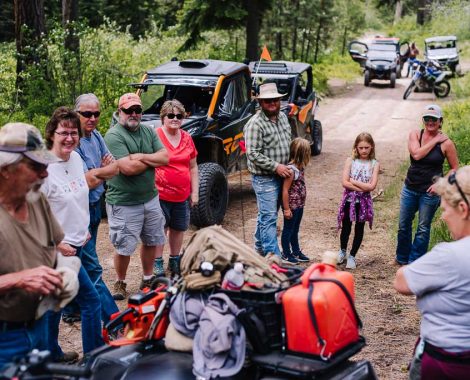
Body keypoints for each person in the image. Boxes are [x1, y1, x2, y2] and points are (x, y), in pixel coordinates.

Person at [0, 122, 74, 367]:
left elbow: (52, 246)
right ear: (5, 169)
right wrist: (18, 279)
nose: (45, 173)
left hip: (39, 325)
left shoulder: (36, 199)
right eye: (35, 166)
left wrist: (63, 272)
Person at [394, 166, 470, 380]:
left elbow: (401, 281)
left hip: (445, 363)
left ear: (463, 209)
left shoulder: (449, 256)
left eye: (446, 210)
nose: (444, 217)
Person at [41, 107, 104, 359]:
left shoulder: (76, 159)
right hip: (56, 251)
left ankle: (51, 355)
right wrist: (56, 244)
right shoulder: (43, 169)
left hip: (77, 243)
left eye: (73, 133)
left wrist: (84, 228)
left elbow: (79, 198)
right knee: (91, 302)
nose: (69, 138)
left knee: (55, 306)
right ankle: (95, 358)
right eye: (63, 133)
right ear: (52, 134)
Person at [104, 93, 168, 300]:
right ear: (119, 112)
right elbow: (128, 169)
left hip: (150, 198)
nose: (133, 114)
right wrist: (151, 160)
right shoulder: (114, 135)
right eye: (128, 110)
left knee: (151, 240)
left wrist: (139, 156)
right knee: (124, 246)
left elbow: (165, 157)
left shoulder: (148, 131)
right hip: (123, 201)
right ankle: (120, 282)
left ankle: (148, 278)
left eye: (137, 110)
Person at [62, 94, 119, 325]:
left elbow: (112, 166)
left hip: (94, 207)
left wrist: (99, 173)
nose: (92, 118)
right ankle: (116, 321)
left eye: (96, 113)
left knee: (80, 262)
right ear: (77, 114)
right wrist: (101, 172)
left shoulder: (95, 136)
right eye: (87, 114)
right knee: (92, 267)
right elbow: (86, 180)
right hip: (78, 212)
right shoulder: (72, 143)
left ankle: (70, 308)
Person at [396, 105, 458, 265]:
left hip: (430, 193)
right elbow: (416, 155)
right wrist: (436, 139)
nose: (430, 122)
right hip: (410, 188)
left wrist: (442, 183)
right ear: (423, 120)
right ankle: (402, 258)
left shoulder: (447, 144)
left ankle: (414, 261)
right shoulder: (416, 134)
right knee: (403, 225)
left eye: (434, 119)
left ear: (440, 121)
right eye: (427, 118)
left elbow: (455, 168)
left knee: (423, 228)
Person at [244, 82, 292, 257]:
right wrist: (276, 166)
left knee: (267, 214)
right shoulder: (255, 124)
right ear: (260, 103)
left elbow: (289, 143)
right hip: (265, 178)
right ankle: (273, 255)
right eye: (267, 101)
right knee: (269, 216)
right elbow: (253, 154)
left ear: (279, 101)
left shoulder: (284, 118)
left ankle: (259, 246)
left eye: (275, 100)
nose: (272, 103)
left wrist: (291, 163)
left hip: (283, 175)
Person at [153, 100, 198, 277]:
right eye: (170, 115)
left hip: (182, 195)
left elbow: (193, 166)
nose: (175, 119)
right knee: (159, 229)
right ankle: (157, 262)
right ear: (163, 117)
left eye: (179, 116)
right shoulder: (155, 136)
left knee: (178, 228)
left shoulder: (187, 138)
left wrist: (195, 193)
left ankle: (174, 259)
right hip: (159, 193)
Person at [337, 132, 380, 270]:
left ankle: (352, 256)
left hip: (363, 203)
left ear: (372, 147)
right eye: (361, 148)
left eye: (366, 148)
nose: (363, 151)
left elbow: (372, 186)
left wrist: (354, 182)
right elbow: (344, 182)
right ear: (356, 147)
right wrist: (363, 187)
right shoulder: (350, 161)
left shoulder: (374, 164)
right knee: (346, 226)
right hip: (349, 200)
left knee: (359, 228)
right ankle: (342, 250)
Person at [280, 138, 311, 264]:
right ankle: (286, 254)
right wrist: (286, 209)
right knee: (288, 229)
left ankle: (296, 251)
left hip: (299, 204)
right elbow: (285, 190)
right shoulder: (291, 170)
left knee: (295, 228)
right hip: (292, 206)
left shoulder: (300, 167)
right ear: (303, 154)